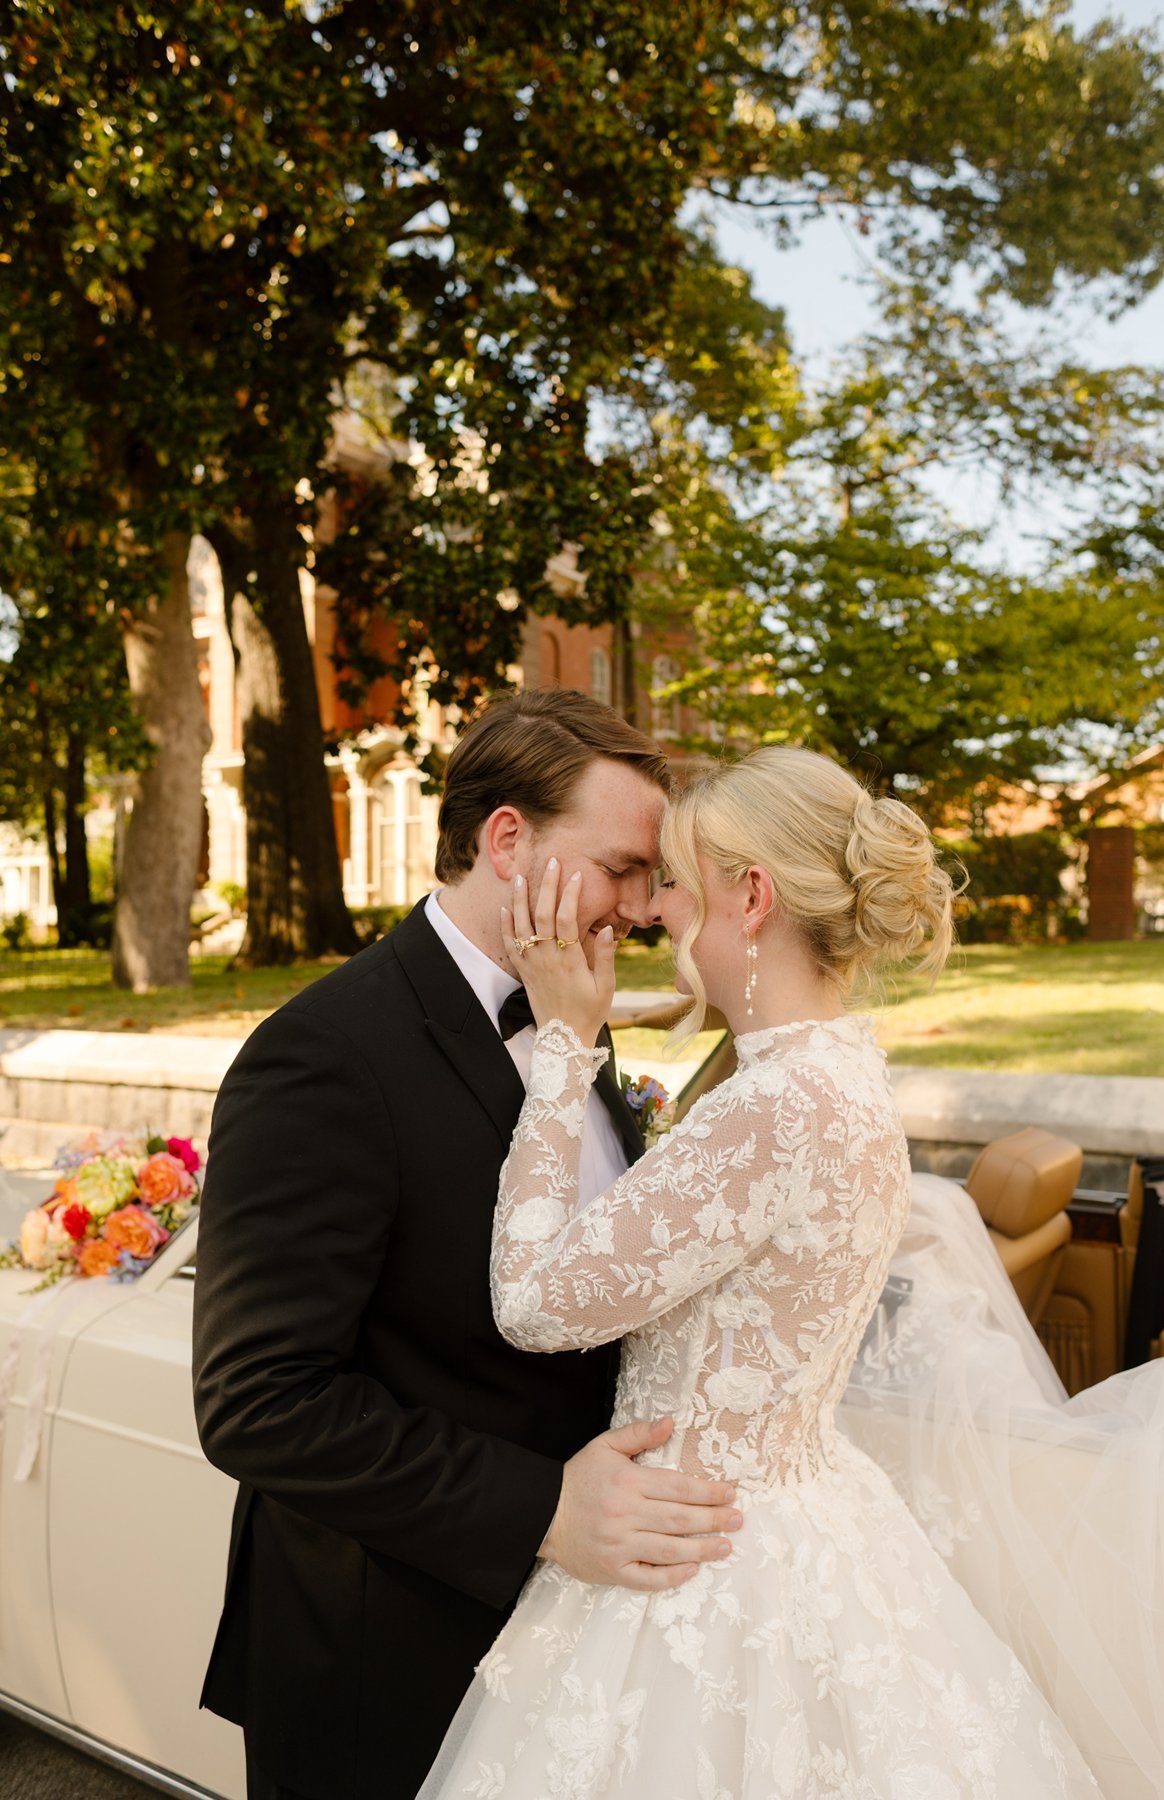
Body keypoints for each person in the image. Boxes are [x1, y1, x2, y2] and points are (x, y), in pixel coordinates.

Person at [416, 744, 1102, 1798]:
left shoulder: (772, 1109)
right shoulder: (844, 1075)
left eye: (679, 881)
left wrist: (565, 1045)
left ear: (751, 895)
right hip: (808, 1523)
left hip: (706, 1566)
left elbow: (535, 1305)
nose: (655, 911)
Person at [191, 687, 743, 1800]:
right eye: (623, 868)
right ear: (507, 841)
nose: (643, 908)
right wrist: (543, 1512)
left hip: (560, 1656)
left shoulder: (574, 1024)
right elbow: (259, 1399)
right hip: (383, 1655)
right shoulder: (325, 1054)